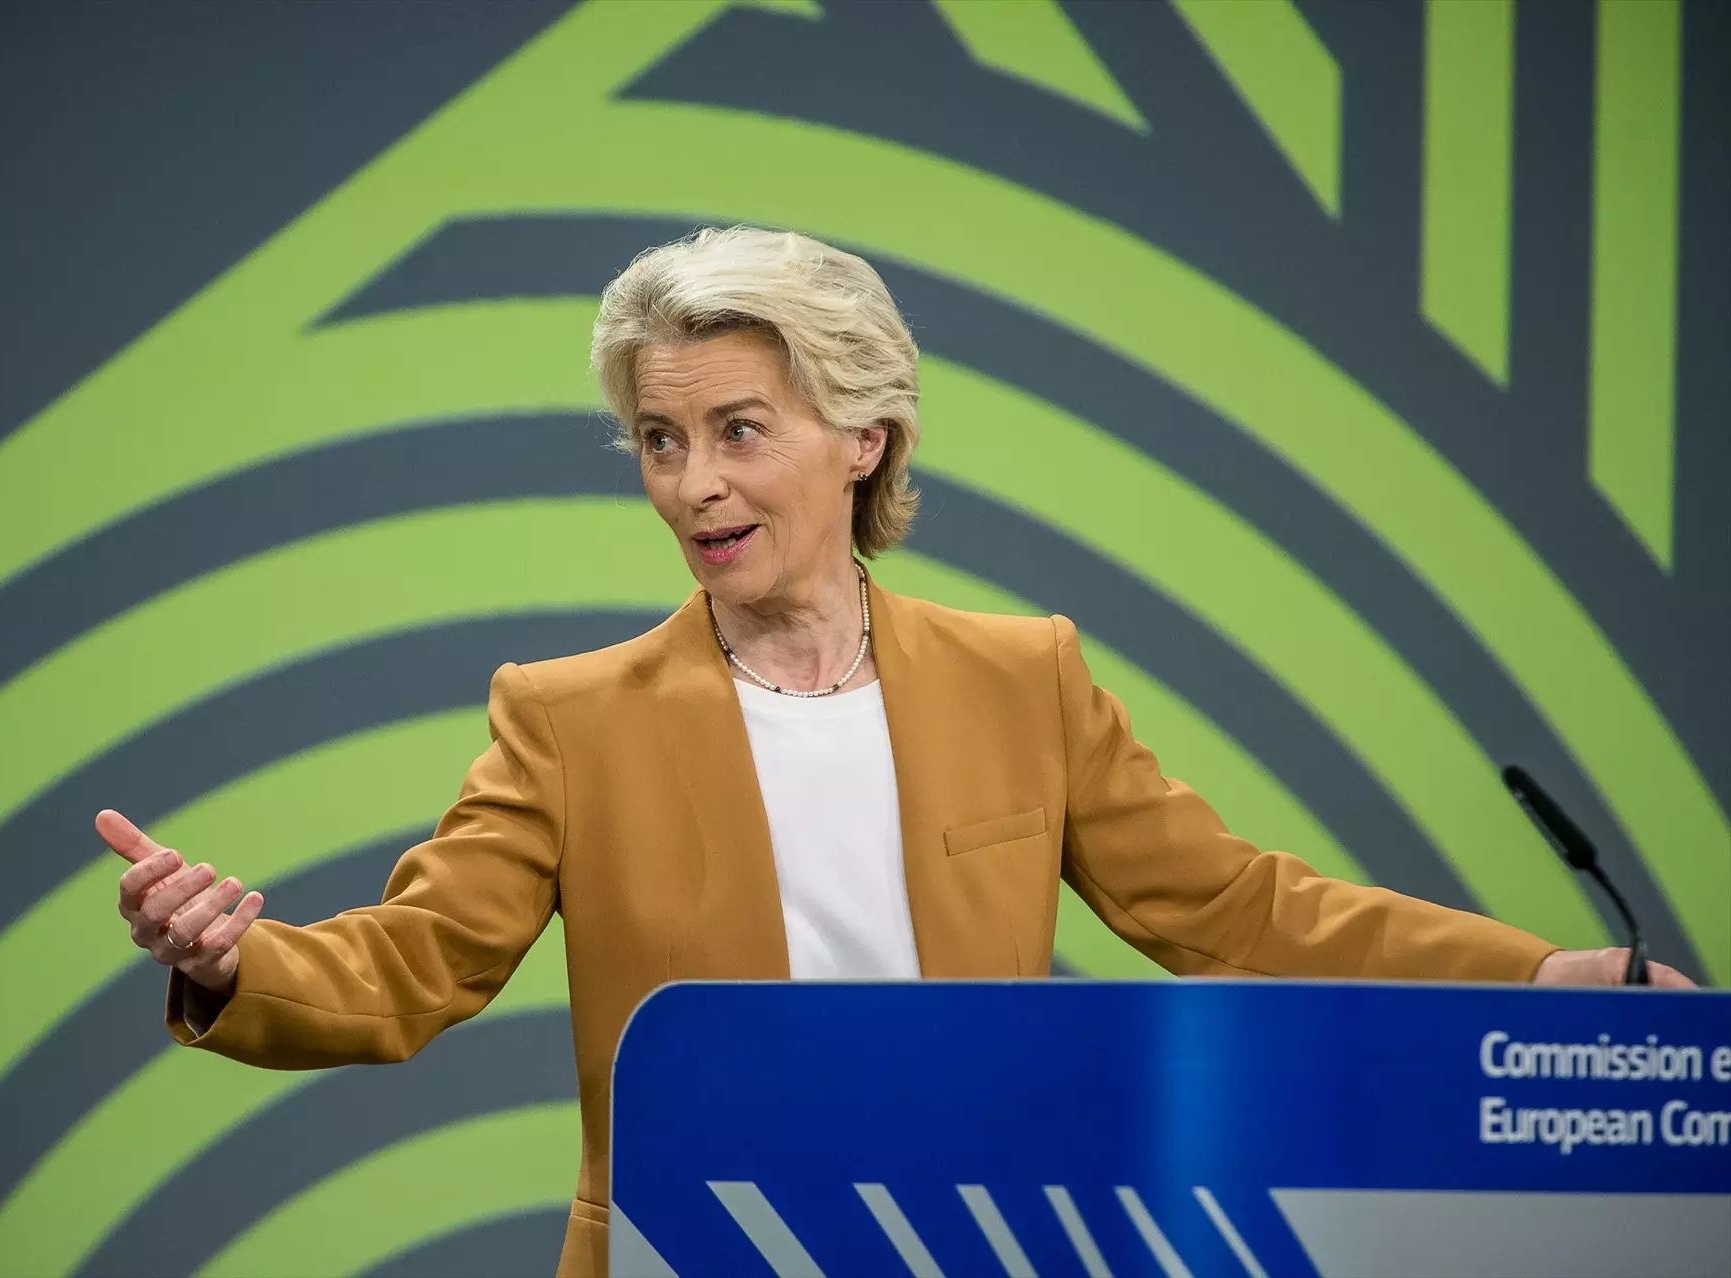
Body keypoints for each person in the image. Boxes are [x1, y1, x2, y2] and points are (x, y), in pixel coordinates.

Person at [99, 226, 1692, 1277]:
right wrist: (236, 964)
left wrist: (1530, 981)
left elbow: (1239, 908)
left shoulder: (1027, 678)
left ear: (864, 440)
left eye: (739, 428)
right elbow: (407, 971)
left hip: (974, 1243)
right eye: (661, 438)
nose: (693, 483)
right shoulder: (567, 714)